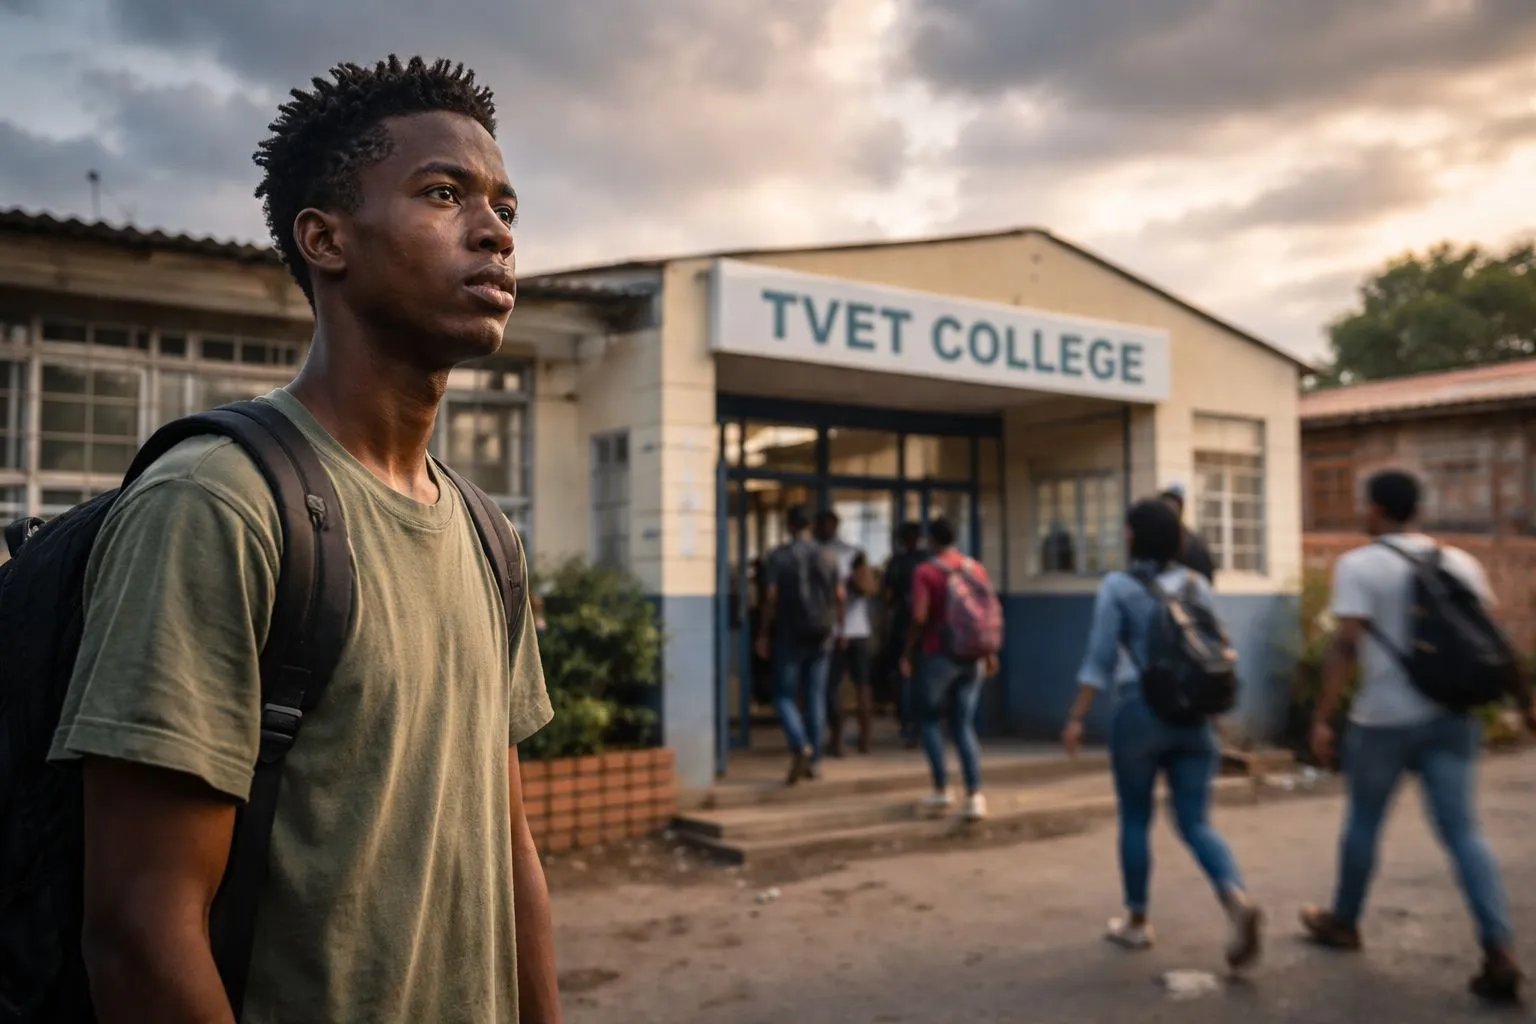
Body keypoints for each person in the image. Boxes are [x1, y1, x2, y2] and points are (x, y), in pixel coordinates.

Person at [45, 56, 561, 1022]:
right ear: (326, 239)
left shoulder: (486, 534)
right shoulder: (217, 503)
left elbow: (511, 850)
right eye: (443, 194)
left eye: (505, 207)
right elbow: (141, 929)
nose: (496, 232)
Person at [1301, 469, 1532, 1004]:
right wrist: (1525, 702)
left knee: (1364, 822)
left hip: (1381, 720)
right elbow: (1492, 639)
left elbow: (1345, 647)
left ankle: (1344, 921)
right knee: (1463, 832)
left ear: (1376, 510)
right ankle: (1499, 947)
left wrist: (1323, 717)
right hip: (1451, 717)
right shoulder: (1461, 562)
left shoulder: (1359, 566)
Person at [1064, 498, 1263, 969]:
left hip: (1140, 714)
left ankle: (1136, 922)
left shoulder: (1118, 587)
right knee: (1196, 823)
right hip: (1194, 720)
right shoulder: (1197, 585)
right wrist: (1213, 714)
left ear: (1133, 537)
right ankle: (1235, 898)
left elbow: (1099, 659)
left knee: (1136, 818)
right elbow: (1220, 650)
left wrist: (1077, 717)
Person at [900, 517, 995, 822]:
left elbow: (919, 615)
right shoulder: (975, 568)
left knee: (930, 720)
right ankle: (975, 795)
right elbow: (985, 613)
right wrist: (989, 652)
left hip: (938, 655)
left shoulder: (926, 572)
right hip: (973, 655)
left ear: (931, 540)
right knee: (964, 725)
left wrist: (907, 652)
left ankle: (941, 789)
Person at [757, 505, 844, 784]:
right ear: (810, 527)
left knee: (783, 696)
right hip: (822, 635)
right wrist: (838, 628)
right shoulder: (829, 556)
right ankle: (814, 762)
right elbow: (840, 596)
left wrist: (763, 633)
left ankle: (800, 744)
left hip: (789, 635)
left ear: (789, 527)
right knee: (815, 697)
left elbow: (771, 597)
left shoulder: (779, 556)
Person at [817, 509, 875, 756]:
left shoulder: (821, 553)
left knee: (833, 687)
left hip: (838, 632)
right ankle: (864, 740)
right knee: (862, 686)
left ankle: (838, 740)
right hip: (859, 631)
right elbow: (869, 588)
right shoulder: (854, 553)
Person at [881, 521, 926, 745]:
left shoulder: (896, 563)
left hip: (902, 625)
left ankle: (908, 723)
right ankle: (921, 723)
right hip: (927, 626)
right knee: (922, 675)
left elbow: (888, 596)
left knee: (905, 673)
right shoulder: (927, 561)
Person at [1159, 482, 1215, 584]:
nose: (1168, 514)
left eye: (1172, 509)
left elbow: (1205, 577)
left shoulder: (1194, 542)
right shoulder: (1152, 541)